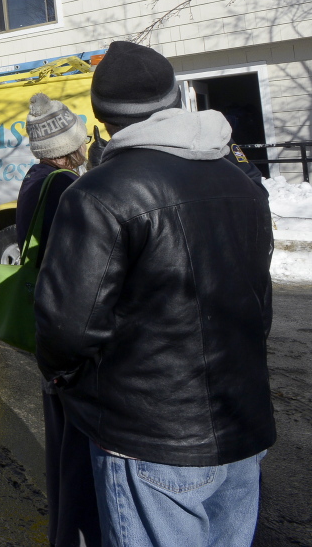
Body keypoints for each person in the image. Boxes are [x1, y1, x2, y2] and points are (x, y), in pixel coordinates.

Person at [35, 41, 275, 547]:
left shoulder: (99, 192)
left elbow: (67, 329)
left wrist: (69, 381)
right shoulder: (243, 182)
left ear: (102, 119)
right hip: (242, 420)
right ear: (174, 101)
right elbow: (259, 302)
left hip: (148, 434)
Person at [15, 93, 99, 547]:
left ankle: (63, 534)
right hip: (65, 327)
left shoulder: (35, 178)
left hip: (45, 324)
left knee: (61, 449)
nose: (87, 142)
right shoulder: (68, 186)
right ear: (67, 144)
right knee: (77, 455)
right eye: (81, 137)